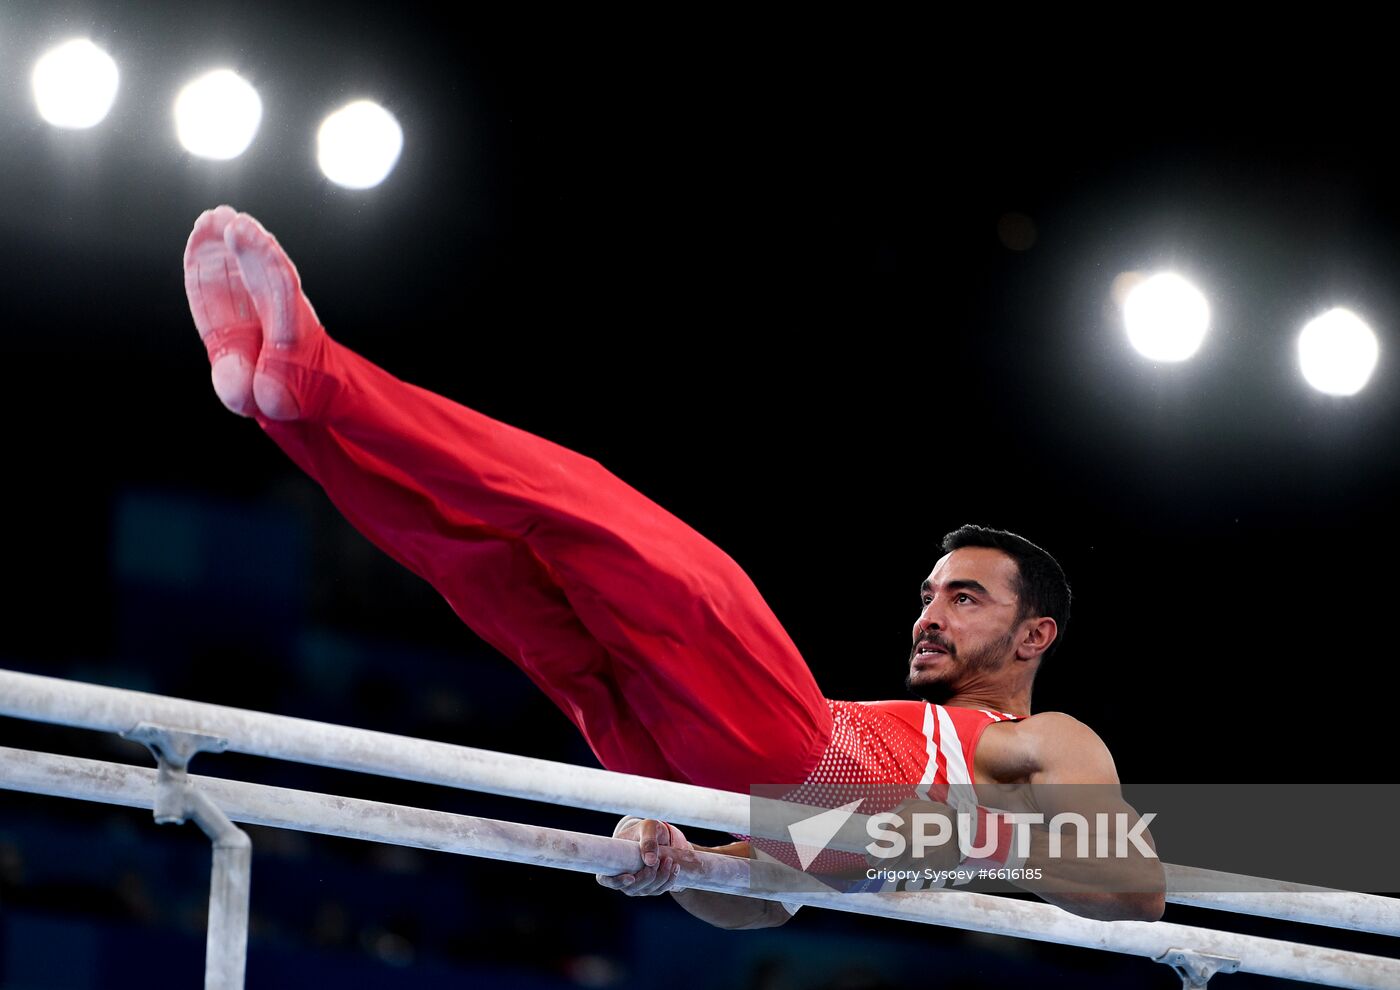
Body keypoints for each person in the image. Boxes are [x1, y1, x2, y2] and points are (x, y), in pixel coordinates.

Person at [182, 206, 1165, 930]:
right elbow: (763, 895)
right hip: (722, 766)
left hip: (801, 768)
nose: (927, 616)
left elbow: (1139, 891)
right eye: (926, 594)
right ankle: (281, 403)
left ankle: (313, 377)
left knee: (582, 517)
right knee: (491, 560)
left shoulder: (1040, 740)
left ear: (1035, 634)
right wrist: (680, 854)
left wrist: (942, 853)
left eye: (964, 596)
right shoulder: (896, 732)